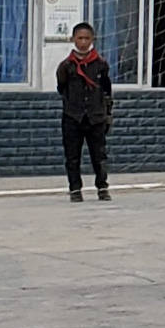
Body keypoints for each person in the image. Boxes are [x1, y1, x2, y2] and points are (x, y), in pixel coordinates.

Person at [56, 22, 113, 202]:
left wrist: (107, 115)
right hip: (73, 116)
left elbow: (106, 90)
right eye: (79, 38)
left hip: (95, 117)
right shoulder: (66, 66)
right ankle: (75, 189)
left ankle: (102, 187)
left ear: (92, 39)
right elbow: (61, 88)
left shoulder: (101, 64)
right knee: (72, 156)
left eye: (86, 38)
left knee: (99, 155)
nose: (83, 42)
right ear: (73, 39)